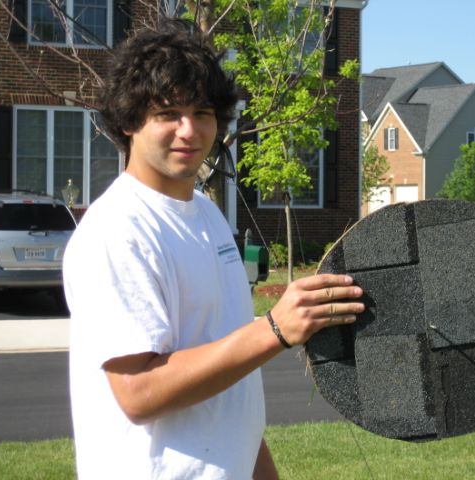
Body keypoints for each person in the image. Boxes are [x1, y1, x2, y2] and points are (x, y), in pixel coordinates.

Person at [63, 18, 364, 480]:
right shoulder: (117, 230)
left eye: (202, 112)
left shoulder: (207, 215)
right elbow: (139, 392)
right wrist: (274, 329)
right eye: (168, 114)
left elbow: (228, 386)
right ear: (128, 121)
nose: (189, 130)